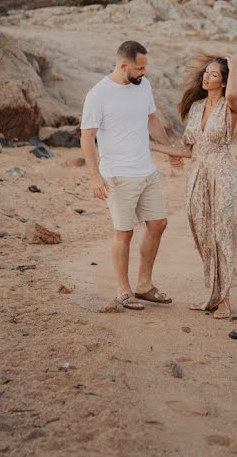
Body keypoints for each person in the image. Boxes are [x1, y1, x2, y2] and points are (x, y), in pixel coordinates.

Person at [150, 54, 237, 319]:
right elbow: (189, 151)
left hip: (224, 176)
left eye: (213, 74)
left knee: (223, 234)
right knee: (204, 237)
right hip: (197, 178)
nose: (206, 77)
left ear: (225, 81)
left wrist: (235, 67)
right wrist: (154, 146)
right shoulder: (196, 108)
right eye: (206, 72)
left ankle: (225, 300)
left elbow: (232, 97)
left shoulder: (233, 106)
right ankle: (213, 297)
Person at [80, 40, 181, 310]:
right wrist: (94, 177)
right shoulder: (98, 95)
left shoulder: (143, 85)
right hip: (117, 174)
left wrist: (170, 150)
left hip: (146, 170)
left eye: (145, 67)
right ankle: (123, 290)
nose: (144, 72)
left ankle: (144, 285)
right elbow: (87, 137)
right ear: (124, 66)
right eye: (139, 68)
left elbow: (151, 119)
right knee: (123, 232)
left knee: (158, 224)